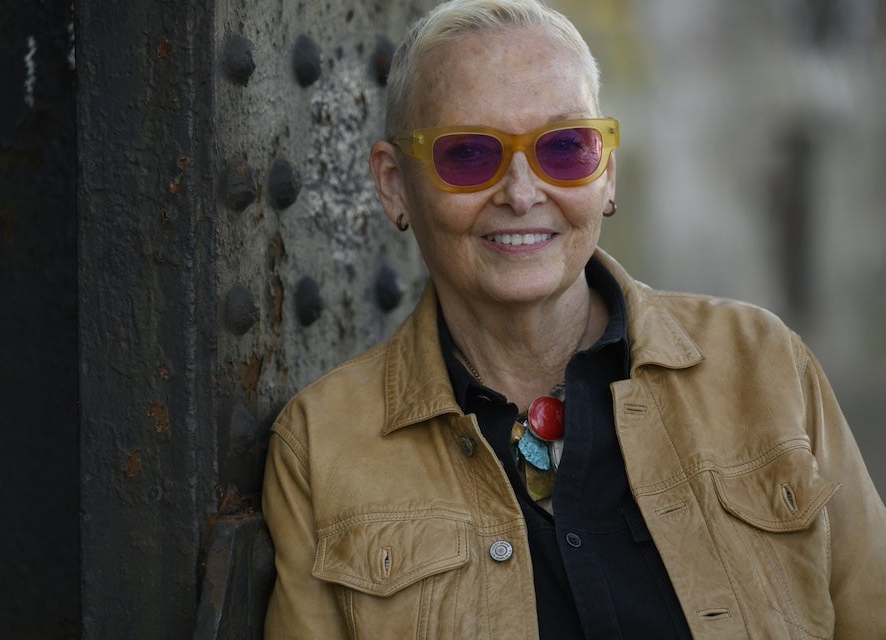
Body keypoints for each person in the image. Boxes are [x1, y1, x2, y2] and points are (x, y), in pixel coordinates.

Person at [261, 0, 886, 637]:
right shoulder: (323, 447)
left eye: (565, 148)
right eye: (470, 155)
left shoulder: (763, 362)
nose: (522, 192)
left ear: (607, 173)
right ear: (395, 183)